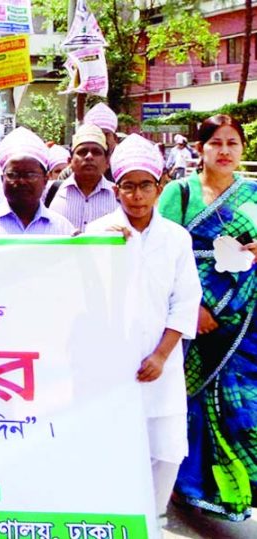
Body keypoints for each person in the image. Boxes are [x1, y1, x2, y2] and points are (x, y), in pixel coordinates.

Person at [86, 134, 202, 523]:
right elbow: (77, 292)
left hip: (160, 366)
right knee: (111, 451)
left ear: (160, 185)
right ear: (116, 189)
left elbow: (185, 302)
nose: (136, 195)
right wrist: (96, 249)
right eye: (128, 186)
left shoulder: (176, 239)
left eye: (145, 185)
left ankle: (152, 522)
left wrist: (160, 355)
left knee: (165, 452)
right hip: (111, 365)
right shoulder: (98, 233)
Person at [159, 114, 257, 521]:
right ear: (200, 149)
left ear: (242, 149)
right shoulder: (180, 194)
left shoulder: (252, 194)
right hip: (191, 316)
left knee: (242, 403)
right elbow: (161, 256)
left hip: (246, 320)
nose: (224, 151)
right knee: (192, 400)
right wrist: (192, 309)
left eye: (232, 143)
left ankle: (236, 487)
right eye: (215, 143)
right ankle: (190, 486)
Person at [0, 127, 74, 236]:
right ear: (2, 179)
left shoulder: (63, 230)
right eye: (13, 175)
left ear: (45, 180)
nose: (22, 181)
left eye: (30, 175)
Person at [48, 124, 118, 232]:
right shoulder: (49, 192)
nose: (89, 156)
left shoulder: (119, 196)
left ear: (107, 162)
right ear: (69, 161)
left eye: (96, 152)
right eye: (82, 152)